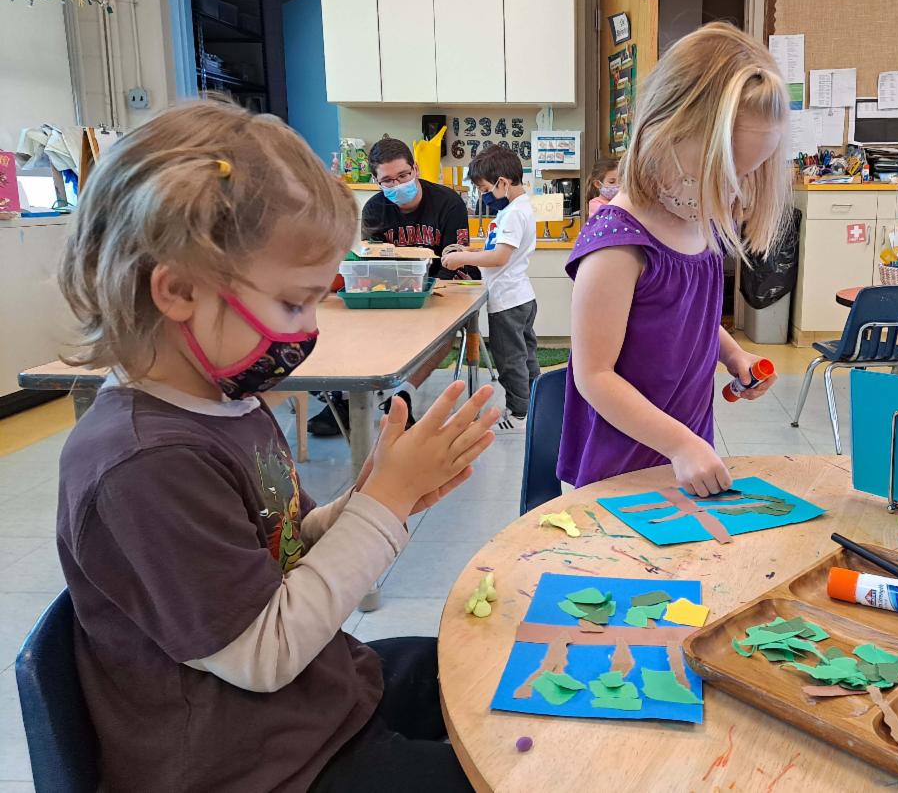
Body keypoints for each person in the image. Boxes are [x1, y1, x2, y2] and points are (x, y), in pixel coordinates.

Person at [56, 99, 498, 792]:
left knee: (494, 671)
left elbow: (284, 546)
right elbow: (263, 654)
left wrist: (375, 497)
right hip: (256, 764)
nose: (307, 330)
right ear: (178, 290)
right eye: (294, 303)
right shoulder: (145, 463)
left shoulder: (226, 402)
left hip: (314, 703)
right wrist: (384, 505)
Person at [557, 23, 789, 493]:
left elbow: (689, 317)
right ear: (666, 132)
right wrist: (680, 445)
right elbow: (594, 376)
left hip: (681, 454)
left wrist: (733, 354)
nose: (734, 190)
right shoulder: (618, 246)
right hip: (618, 467)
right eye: (724, 172)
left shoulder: (700, 224)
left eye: (748, 174)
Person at [310, 136, 473, 435]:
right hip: (392, 288)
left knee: (442, 333)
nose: (397, 184)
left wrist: (430, 288)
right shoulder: (375, 208)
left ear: (416, 169)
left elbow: (456, 256)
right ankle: (348, 398)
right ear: (376, 181)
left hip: (440, 288)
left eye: (403, 175)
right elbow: (372, 262)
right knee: (363, 325)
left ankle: (402, 396)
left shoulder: (448, 202)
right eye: (387, 180)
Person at [442, 145, 538, 433]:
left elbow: (499, 258)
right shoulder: (517, 208)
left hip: (508, 300)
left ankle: (519, 414)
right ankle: (535, 405)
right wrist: (471, 251)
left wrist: (462, 259)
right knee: (526, 356)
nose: (484, 195)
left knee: (510, 360)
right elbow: (500, 250)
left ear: (503, 183)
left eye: (485, 189)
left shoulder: (513, 214)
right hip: (521, 296)